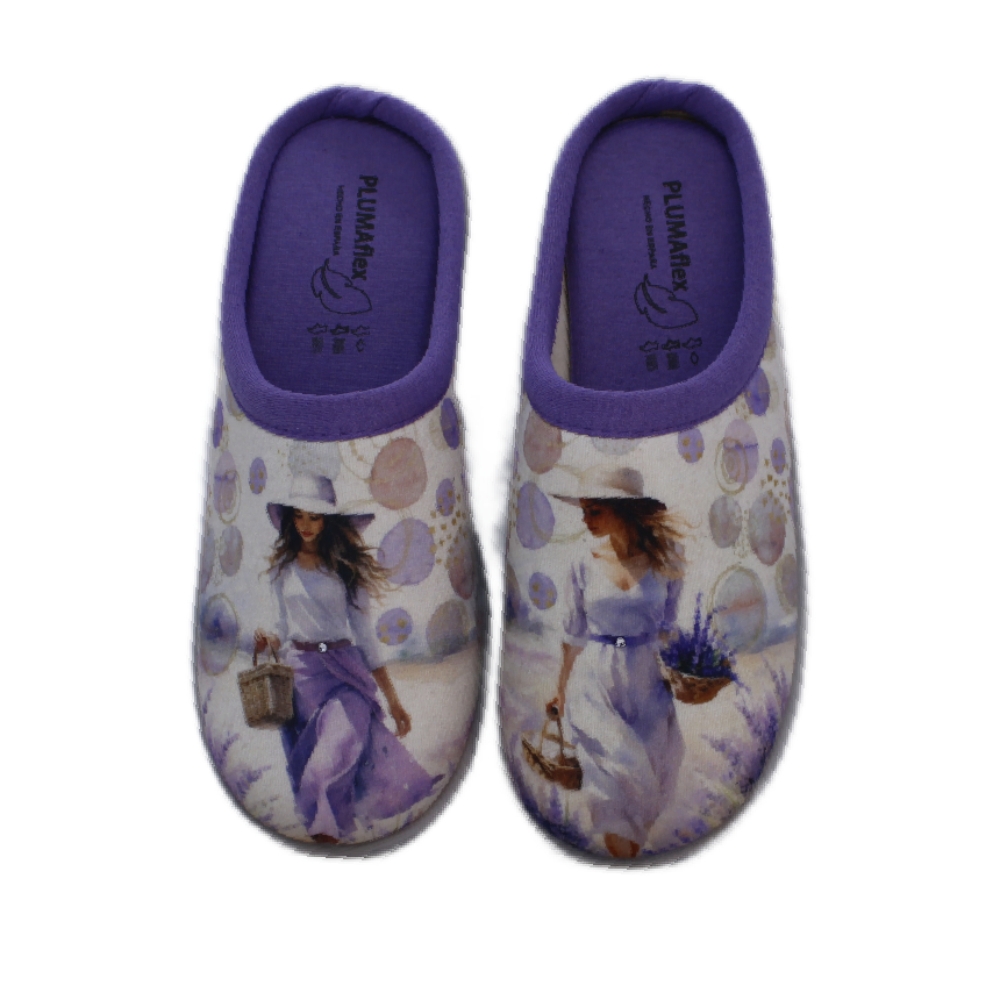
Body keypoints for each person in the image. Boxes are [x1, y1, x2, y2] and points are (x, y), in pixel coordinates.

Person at [255, 473, 438, 843]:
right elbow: (281, 628)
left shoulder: (344, 571)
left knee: (325, 769)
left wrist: (394, 701)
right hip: (301, 683)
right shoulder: (282, 571)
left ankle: (330, 838)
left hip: (345, 675)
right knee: (313, 776)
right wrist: (265, 639)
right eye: (299, 515)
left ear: (328, 521)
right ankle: (331, 844)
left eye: (315, 516)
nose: (306, 524)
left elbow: (366, 638)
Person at [550, 468, 687, 858]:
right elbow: (573, 634)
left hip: (647, 681)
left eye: (594, 510)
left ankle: (628, 866)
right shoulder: (583, 562)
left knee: (650, 784)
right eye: (583, 511)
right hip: (594, 681)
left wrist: (681, 672)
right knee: (611, 784)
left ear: (622, 510)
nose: (585, 519)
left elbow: (669, 629)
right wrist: (560, 691)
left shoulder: (667, 560)